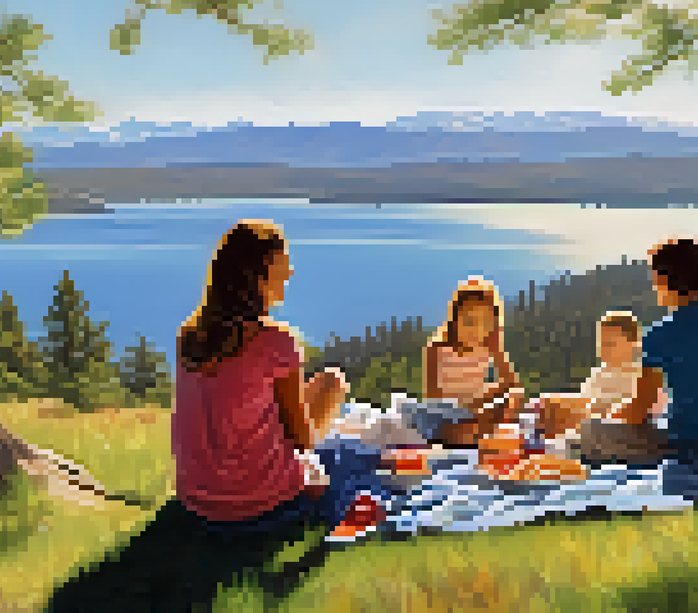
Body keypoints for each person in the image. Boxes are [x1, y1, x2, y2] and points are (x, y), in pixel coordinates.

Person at [171, 220, 387, 542]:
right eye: (281, 266)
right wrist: (310, 466)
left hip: (197, 505)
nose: (289, 274)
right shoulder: (276, 341)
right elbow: (303, 440)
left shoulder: (190, 337)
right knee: (350, 460)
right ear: (256, 277)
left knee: (330, 386)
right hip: (265, 509)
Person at [581, 236, 698, 465]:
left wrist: (608, 416)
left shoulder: (660, 335)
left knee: (590, 431)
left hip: (689, 445)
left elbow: (639, 409)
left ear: (660, 279)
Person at [415, 277, 526, 447]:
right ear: (454, 320)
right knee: (451, 426)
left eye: (485, 323)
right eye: (469, 322)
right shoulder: (436, 350)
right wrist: (474, 406)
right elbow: (432, 400)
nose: (477, 330)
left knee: (512, 396)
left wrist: (498, 352)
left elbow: (512, 384)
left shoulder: (488, 348)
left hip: (480, 414)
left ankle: (486, 435)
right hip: (449, 417)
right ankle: (476, 437)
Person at [531, 311, 667, 441]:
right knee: (546, 404)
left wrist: (582, 412)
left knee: (565, 417)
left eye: (610, 344)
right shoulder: (601, 373)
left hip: (619, 431)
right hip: (592, 425)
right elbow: (585, 399)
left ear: (633, 344)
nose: (603, 350)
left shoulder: (640, 375)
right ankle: (541, 442)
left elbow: (628, 412)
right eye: (601, 344)